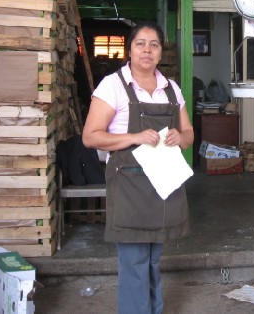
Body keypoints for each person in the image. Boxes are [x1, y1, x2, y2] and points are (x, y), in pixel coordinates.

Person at [82, 21, 194, 314]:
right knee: (134, 264)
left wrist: (179, 137)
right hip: (129, 187)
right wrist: (134, 137)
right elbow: (90, 136)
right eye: (140, 43)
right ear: (129, 50)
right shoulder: (113, 86)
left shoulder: (171, 89)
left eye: (154, 44)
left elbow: (189, 134)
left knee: (154, 261)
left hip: (163, 186)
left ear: (160, 52)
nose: (147, 50)